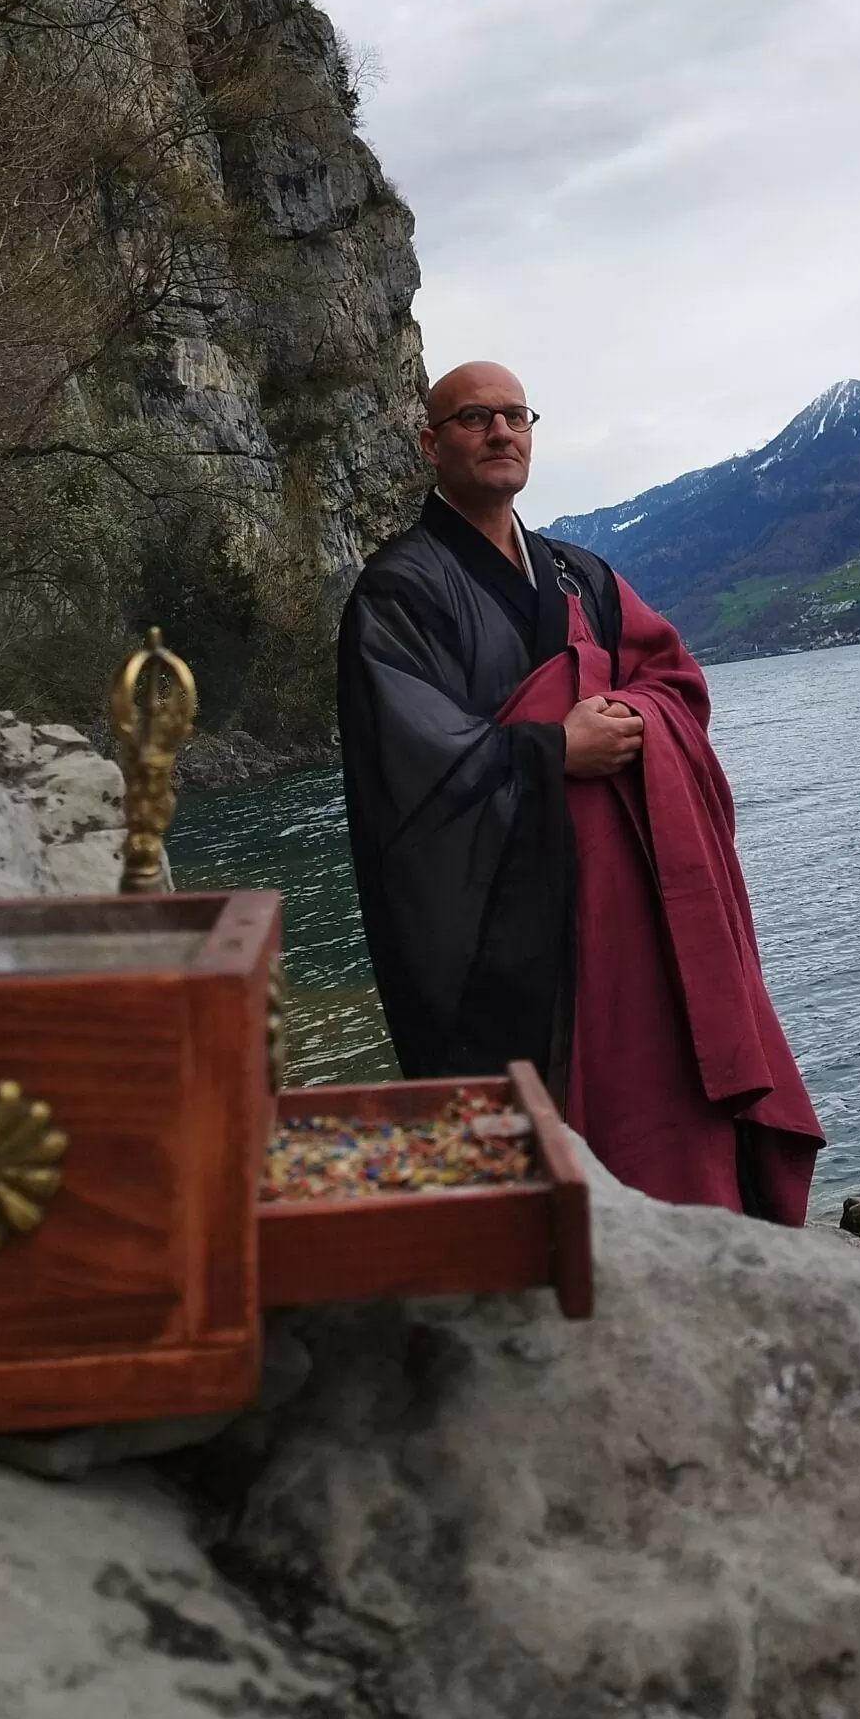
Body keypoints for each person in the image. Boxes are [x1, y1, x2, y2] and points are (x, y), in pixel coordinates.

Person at [337, 358, 823, 1223]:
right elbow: (405, 766)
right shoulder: (398, 591)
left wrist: (634, 720)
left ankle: (696, 1214)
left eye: (516, 417)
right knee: (532, 1139)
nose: (499, 432)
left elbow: (676, 683)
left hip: (622, 911)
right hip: (507, 925)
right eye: (474, 417)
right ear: (429, 443)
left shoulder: (581, 578)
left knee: (655, 1075)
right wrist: (555, 747)